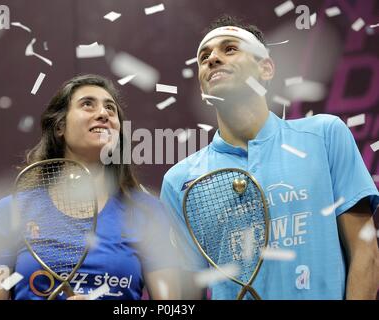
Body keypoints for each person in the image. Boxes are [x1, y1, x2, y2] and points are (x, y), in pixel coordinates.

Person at [160, 15, 379, 300]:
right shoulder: (180, 182)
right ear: (202, 87)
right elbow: (187, 292)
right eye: (204, 56)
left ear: (266, 68)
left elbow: (365, 251)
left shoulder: (325, 135)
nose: (213, 59)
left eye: (230, 49)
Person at [0, 74, 181, 300]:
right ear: (60, 126)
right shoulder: (10, 212)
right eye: (87, 105)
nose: (103, 114)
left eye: (111, 109)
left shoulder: (148, 213)